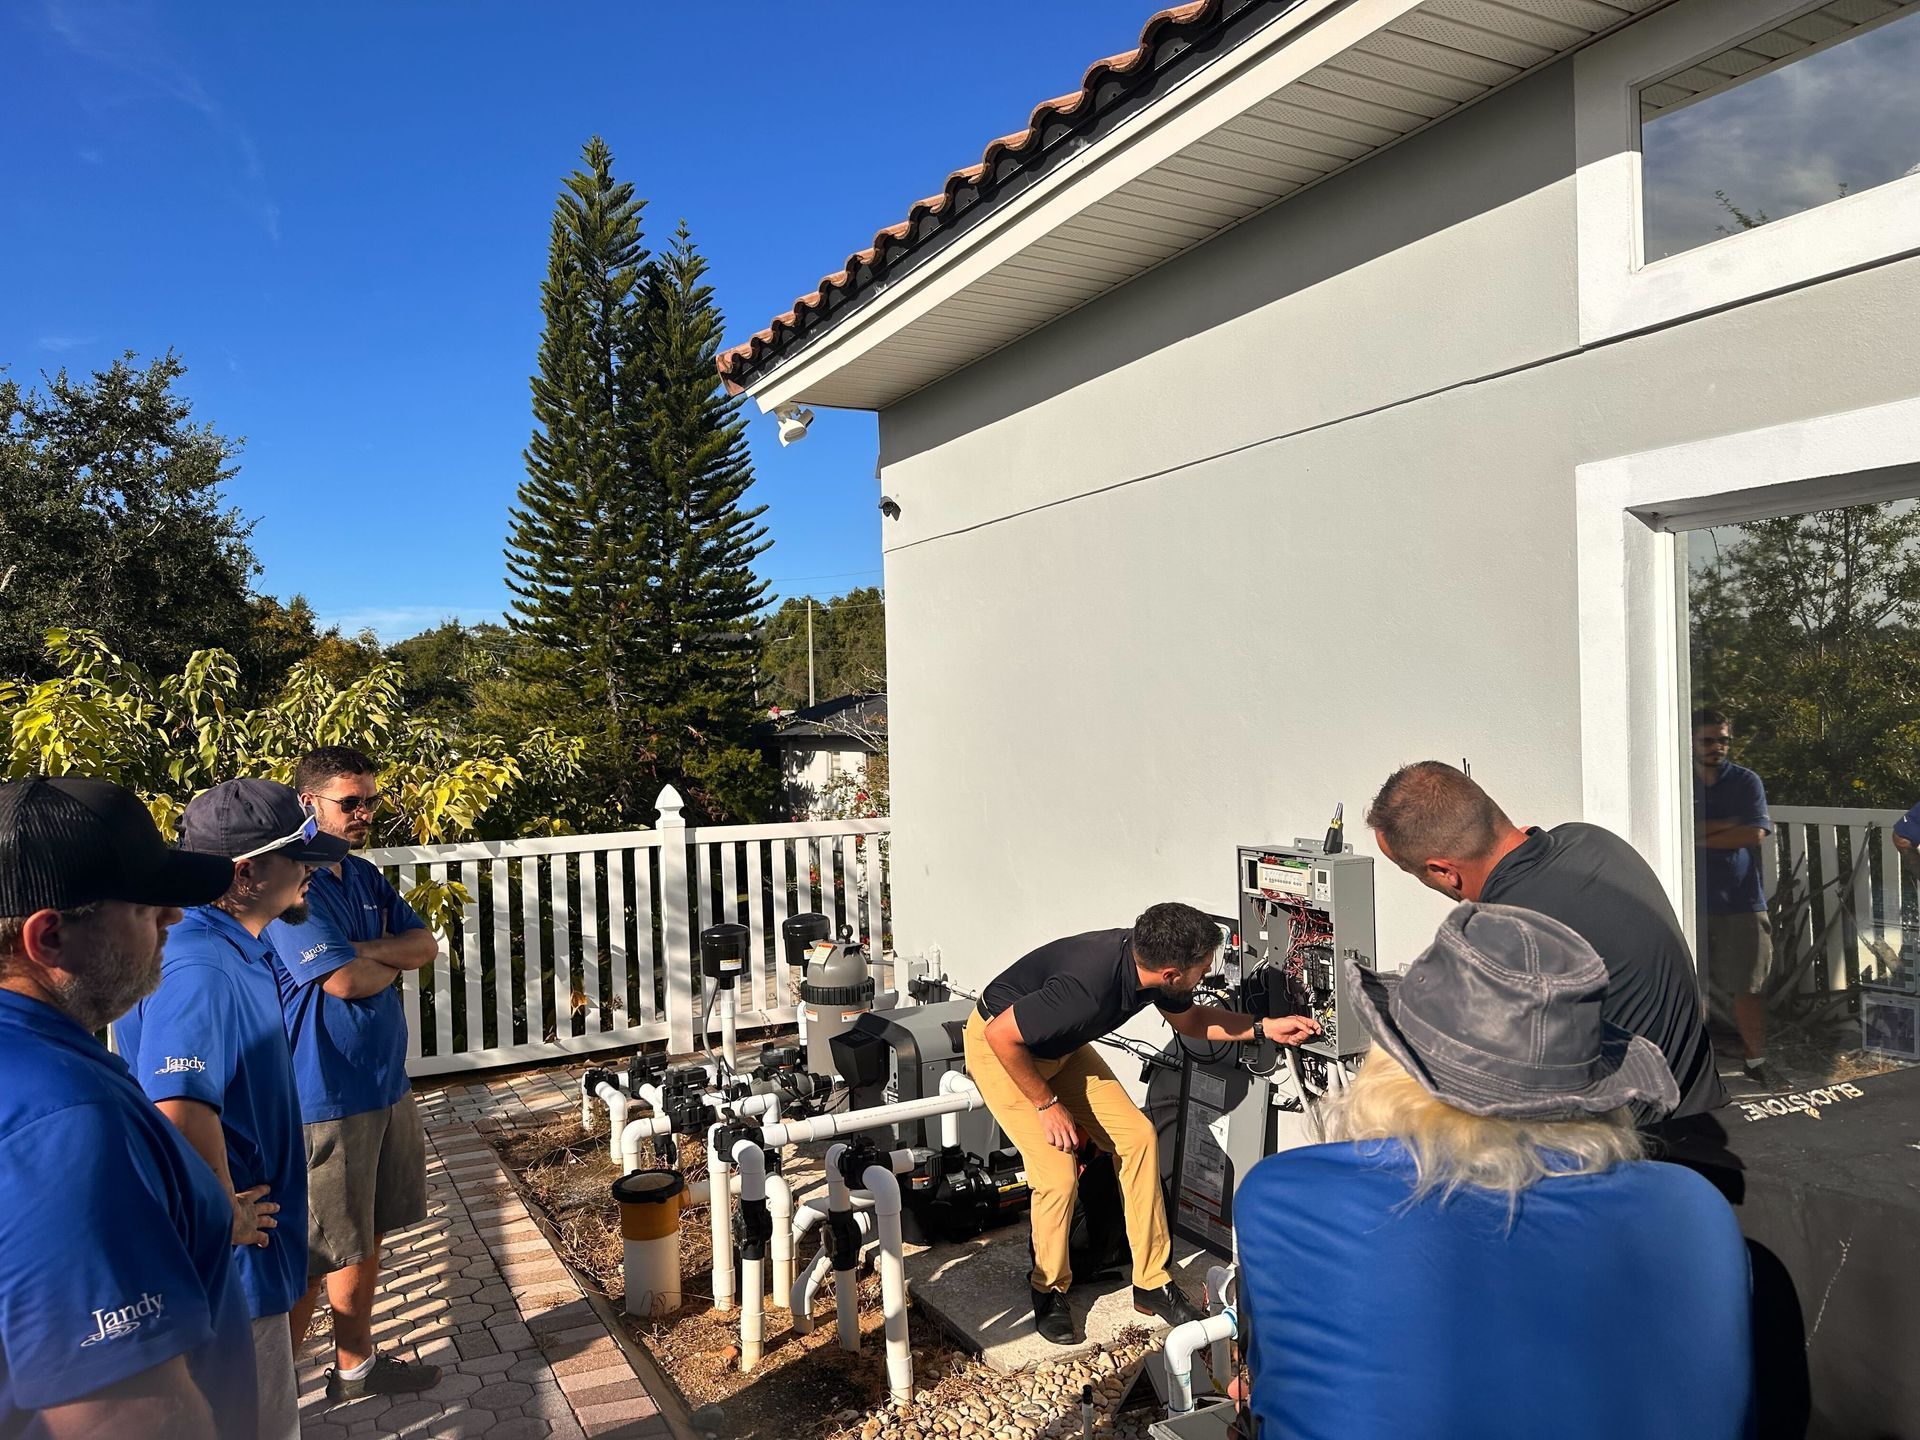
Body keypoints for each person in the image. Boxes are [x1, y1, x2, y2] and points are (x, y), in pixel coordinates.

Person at [1234, 904, 1753, 1440]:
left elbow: (1274, 1379)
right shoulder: (1693, 1211)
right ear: (1592, 1089)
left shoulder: (1286, 1197)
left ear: (1391, 1063)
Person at [0, 776, 257, 1438]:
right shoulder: (65, 1116)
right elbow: (120, 1415)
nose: (173, 919)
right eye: (146, 909)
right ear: (48, 938)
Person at [963, 901, 1320, 1345]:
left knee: (1138, 1138)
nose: (1210, 971)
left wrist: (1264, 1028)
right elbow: (1002, 1035)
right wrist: (1046, 1104)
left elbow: (1191, 1021)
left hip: (1060, 1050)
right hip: (1005, 1053)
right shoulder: (1087, 987)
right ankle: (1049, 1288)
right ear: (1172, 973)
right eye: (1204, 965)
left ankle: (1151, 1281)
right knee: (1056, 1175)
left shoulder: (1151, 966)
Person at [116, 779, 344, 1440]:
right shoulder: (202, 963)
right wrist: (221, 1215)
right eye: (299, 857)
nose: (312, 870)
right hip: (234, 1276)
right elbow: (178, 1099)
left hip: (249, 1267)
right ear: (246, 873)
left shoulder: (229, 944)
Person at [1365, 761, 1725, 1119]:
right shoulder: (1592, 840)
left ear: (1445, 871)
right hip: (1704, 1107)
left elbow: (1476, 1091)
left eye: (1412, 872)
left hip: (1633, 1150)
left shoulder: (1503, 939)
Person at [269, 746, 441, 1401]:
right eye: (351, 802)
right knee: (314, 1253)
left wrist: (373, 955)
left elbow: (423, 946)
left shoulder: (363, 876)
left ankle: (355, 1367)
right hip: (323, 1093)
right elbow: (340, 980)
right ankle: (268, 1396)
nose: (366, 812)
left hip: (383, 1083)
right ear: (309, 805)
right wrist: (379, 961)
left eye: (371, 800)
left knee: (364, 1235)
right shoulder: (292, 885)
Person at [1692, 708, 1776, 1088]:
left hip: (1741, 899)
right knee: (1690, 985)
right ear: (1691, 742)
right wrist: (1726, 824)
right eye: (1709, 740)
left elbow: (1754, 834)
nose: (1718, 747)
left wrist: (1696, 834)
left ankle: (1755, 1060)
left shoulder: (1745, 781)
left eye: (1723, 739)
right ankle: (1693, 1065)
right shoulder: (1678, 782)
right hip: (1687, 898)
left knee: (1750, 984)